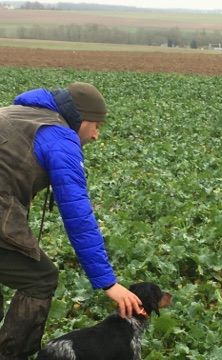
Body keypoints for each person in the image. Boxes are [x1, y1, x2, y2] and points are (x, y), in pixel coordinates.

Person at [0, 82, 143, 359]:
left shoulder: (17, 112)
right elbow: (78, 215)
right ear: (83, 119)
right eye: (97, 126)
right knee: (40, 279)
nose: (96, 135)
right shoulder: (60, 138)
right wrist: (108, 282)